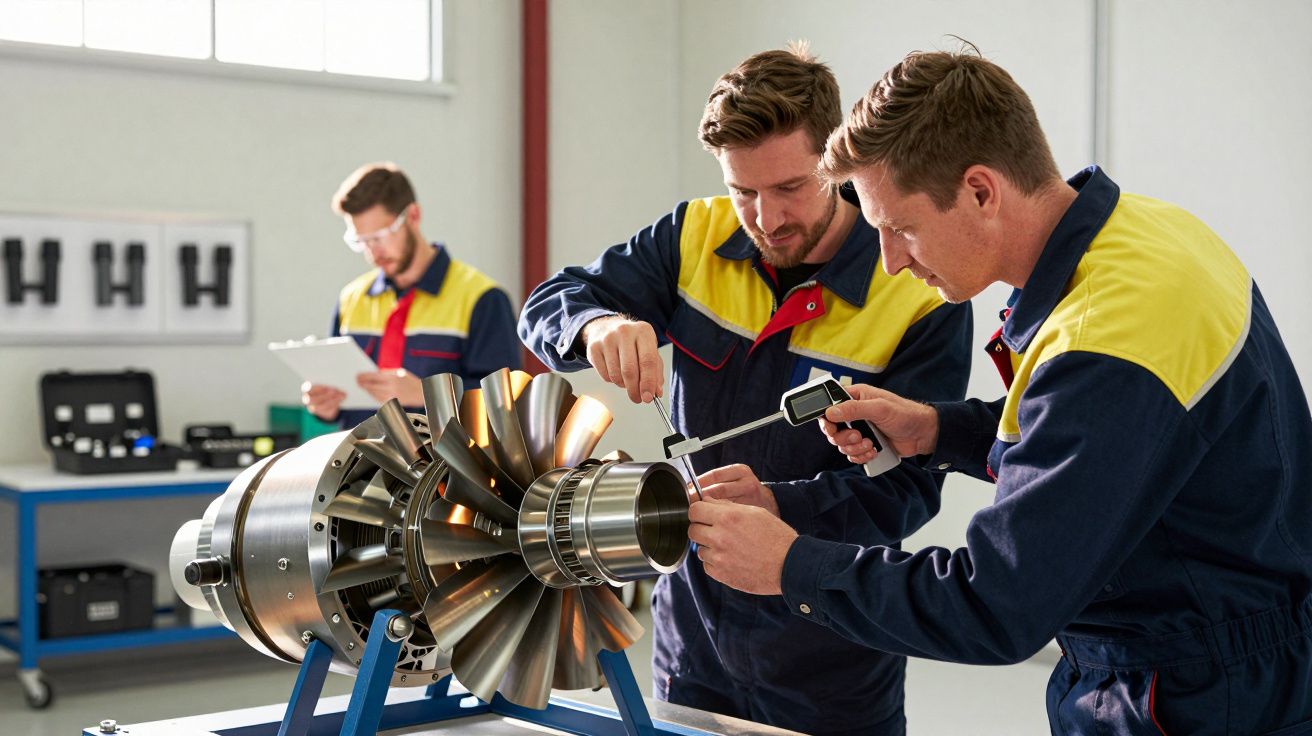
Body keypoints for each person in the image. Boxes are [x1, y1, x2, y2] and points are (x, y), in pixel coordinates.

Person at [689, 45, 1312, 735]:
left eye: (901, 228)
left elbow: (997, 605)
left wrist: (791, 566)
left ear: (982, 190)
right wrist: (938, 430)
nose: (891, 262)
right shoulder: (1148, 238)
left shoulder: (1107, 341)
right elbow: (1114, 444)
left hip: (1194, 698)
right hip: (1220, 656)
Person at [519, 45, 972, 735]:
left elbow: (906, 492)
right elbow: (552, 301)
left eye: (791, 186)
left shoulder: (914, 288)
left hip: (834, 655)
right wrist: (596, 323)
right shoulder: (693, 235)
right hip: (692, 648)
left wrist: (777, 508)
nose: (766, 217)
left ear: (835, 160)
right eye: (744, 192)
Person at [303, 162, 520, 428]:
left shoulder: (482, 298)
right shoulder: (351, 298)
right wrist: (325, 406)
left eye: (380, 236)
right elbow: (342, 396)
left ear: (413, 216)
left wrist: (425, 395)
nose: (372, 252)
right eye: (361, 241)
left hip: (445, 467)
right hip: (360, 463)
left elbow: (504, 405)